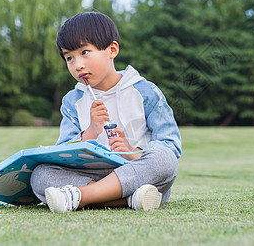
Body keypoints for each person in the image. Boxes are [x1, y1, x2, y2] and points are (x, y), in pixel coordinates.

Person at [30, 12, 182, 213]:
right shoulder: (72, 101)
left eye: (85, 52)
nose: (78, 65)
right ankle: (129, 200)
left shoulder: (146, 91)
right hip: (91, 174)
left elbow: (170, 145)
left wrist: (132, 152)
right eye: (69, 58)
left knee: (165, 160)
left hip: (137, 172)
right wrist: (90, 133)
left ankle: (82, 196)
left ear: (112, 50)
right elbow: (62, 152)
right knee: (40, 174)